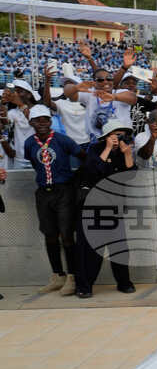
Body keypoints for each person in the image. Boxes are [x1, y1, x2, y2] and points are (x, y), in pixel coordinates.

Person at [22, 105, 84, 295]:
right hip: (43, 192)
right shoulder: (29, 143)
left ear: (51, 121)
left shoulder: (62, 140)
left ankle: (73, 277)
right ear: (31, 122)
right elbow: (35, 164)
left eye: (46, 119)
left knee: (66, 235)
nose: (42, 123)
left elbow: (82, 156)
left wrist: (74, 181)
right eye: (38, 120)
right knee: (49, 235)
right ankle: (58, 275)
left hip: (64, 190)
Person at [75, 120, 137, 298]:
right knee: (90, 251)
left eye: (123, 135)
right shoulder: (96, 149)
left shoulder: (124, 151)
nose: (120, 138)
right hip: (92, 208)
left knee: (120, 249)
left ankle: (124, 283)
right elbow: (93, 171)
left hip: (114, 208)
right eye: (117, 134)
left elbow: (130, 175)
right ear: (108, 136)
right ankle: (85, 286)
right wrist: (108, 148)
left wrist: (127, 154)